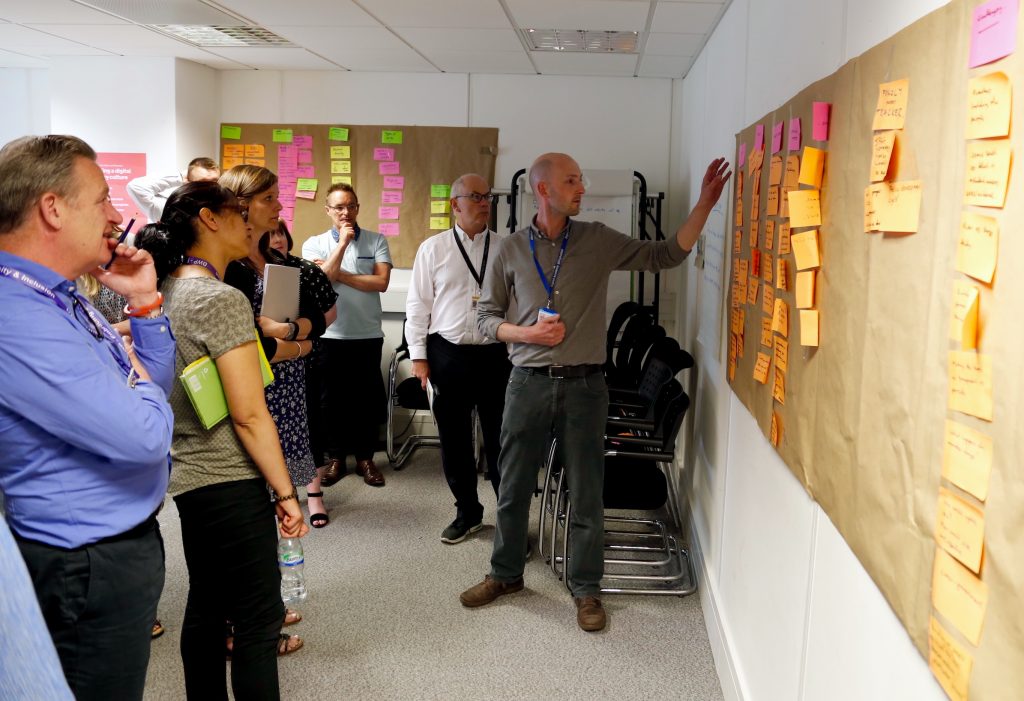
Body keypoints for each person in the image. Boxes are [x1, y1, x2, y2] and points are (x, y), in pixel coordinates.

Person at [460, 153, 731, 632]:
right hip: (526, 384)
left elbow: (666, 254)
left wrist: (706, 204)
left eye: (581, 179)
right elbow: (484, 319)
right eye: (571, 181)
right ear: (543, 190)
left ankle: (586, 589)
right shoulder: (509, 250)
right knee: (514, 484)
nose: (581, 187)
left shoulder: (598, 240)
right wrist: (526, 335)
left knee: (587, 492)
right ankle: (505, 574)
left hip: (587, 386)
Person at [0, 134, 175, 700]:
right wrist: (140, 393)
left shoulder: (60, 294)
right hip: (83, 564)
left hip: (116, 545)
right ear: (52, 207)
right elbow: (145, 434)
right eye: (101, 199)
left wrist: (145, 306)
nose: (116, 216)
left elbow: (152, 387)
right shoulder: (15, 313)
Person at [138, 180, 308, 700]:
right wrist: (285, 493)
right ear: (209, 219)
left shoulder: (165, 290)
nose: (251, 221)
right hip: (229, 478)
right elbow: (250, 415)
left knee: (208, 608)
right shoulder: (219, 297)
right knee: (259, 619)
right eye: (239, 211)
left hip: (192, 476)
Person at [220, 166, 336, 528]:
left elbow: (318, 318)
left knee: (282, 486)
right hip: (256, 388)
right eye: (268, 198)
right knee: (254, 490)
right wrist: (298, 344)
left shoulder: (277, 260)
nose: (279, 206)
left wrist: (287, 330)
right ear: (241, 206)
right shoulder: (229, 267)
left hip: (288, 386)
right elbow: (253, 347)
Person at [406, 174, 511, 544]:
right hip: (447, 354)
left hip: (495, 354)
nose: (485, 202)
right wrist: (418, 357)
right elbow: (418, 306)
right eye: (477, 196)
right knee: (455, 439)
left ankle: (510, 520)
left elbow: (516, 304)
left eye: (488, 197)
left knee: (502, 439)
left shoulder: (506, 247)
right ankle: (467, 512)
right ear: (456, 205)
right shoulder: (432, 249)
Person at [302, 183, 393, 487]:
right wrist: (341, 245)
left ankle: (366, 459)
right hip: (329, 336)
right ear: (327, 209)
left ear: (358, 207)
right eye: (339, 207)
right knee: (331, 401)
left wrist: (336, 273)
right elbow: (322, 280)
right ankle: (336, 458)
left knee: (365, 399)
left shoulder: (377, 240)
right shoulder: (313, 244)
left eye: (351, 206)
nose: (345, 212)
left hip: (367, 334)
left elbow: (380, 283)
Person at [127, 156, 220, 222]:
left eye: (214, 181)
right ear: (188, 183)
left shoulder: (224, 207)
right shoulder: (170, 208)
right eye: (202, 182)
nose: (210, 186)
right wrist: (179, 178)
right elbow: (135, 187)